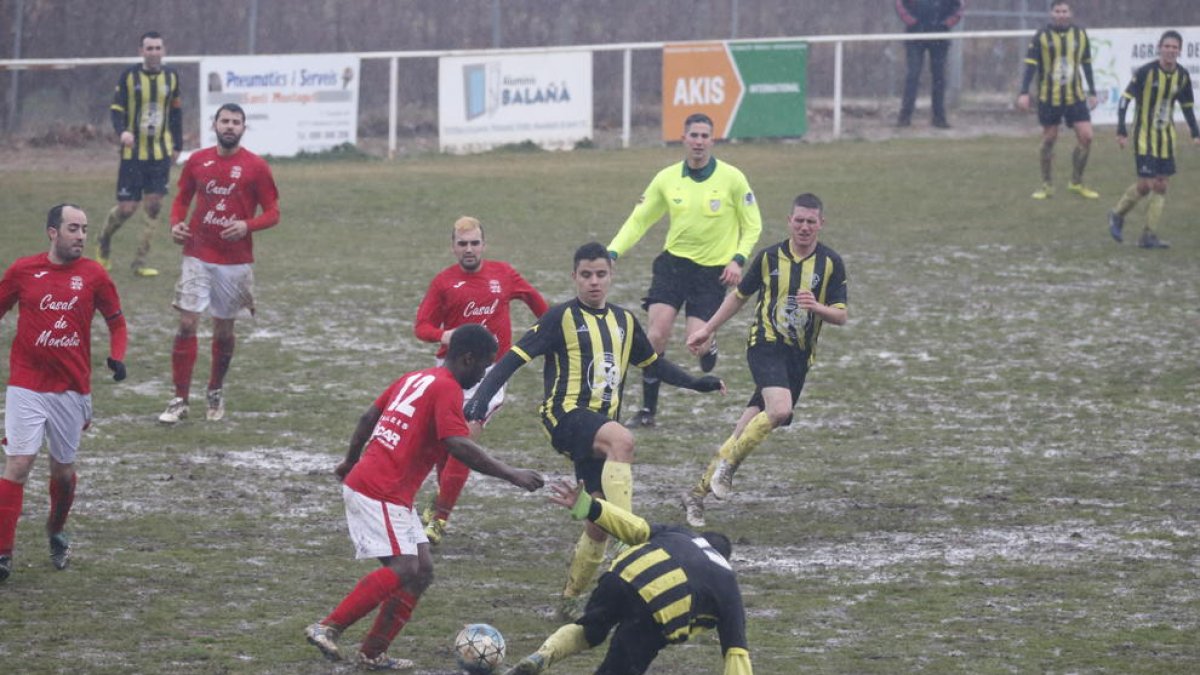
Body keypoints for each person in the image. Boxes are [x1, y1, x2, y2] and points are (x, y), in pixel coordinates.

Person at [464, 242, 724, 617]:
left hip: (597, 432)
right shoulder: (559, 318)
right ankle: (629, 539)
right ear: (574, 277)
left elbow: (654, 365)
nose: (594, 282)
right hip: (566, 416)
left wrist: (698, 383)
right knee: (624, 439)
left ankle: (569, 598)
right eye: (586, 275)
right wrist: (479, 401)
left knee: (597, 521)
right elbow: (511, 360)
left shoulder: (624, 321)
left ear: (610, 276)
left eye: (600, 274)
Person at [303, 324, 544, 670]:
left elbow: (368, 416)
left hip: (386, 489)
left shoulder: (417, 377)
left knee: (422, 571)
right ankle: (327, 626)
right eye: (484, 366)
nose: (484, 375)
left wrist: (350, 460)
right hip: (379, 490)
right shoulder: (447, 389)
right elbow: (458, 445)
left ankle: (372, 653)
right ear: (468, 358)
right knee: (404, 568)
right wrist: (511, 473)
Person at [681, 194, 848, 528]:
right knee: (780, 410)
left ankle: (696, 495)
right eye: (798, 220)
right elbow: (738, 298)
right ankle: (728, 468)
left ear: (821, 224)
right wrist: (707, 330)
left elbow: (841, 316)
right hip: (765, 344)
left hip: (799, 357)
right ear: (789, 220)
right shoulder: (769, 257)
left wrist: (817, 307)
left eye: (810, 221)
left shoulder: (830, 263)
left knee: (745, 429)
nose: (804, 227)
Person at [503, 480, 752, 675]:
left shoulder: (683, 534)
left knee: (589, 629)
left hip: (624, 576)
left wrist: (588, 506)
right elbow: (736, 654)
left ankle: (542, 656)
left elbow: (634, 527)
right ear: (725, 560)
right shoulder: (728, 585)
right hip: (657, 610)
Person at [608, 112, 761, 429]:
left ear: (712, 140)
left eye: (705, 136)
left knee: (697, 343)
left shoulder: (733, 178)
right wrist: (613, 251)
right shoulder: (666, 179)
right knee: (656, 335)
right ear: (684, 138)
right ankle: (648, 410)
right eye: (694, 135)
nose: (699, 142)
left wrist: (738, 260)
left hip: (712, 274)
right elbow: (640, 219)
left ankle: (710, 342)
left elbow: (753, 224)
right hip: (673, 267)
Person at [0, 204, 128, 582]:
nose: (81, 236)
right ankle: (3, 553)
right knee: (19, 464)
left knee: (64, 473)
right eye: (73, 228)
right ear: (52, 232)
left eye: (85, 229)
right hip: (26, 384)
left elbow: (117, 323)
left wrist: (117, 357)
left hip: (72, 389)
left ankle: (56, 529)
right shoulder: (24, 271)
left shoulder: (94, 275)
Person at [412, 215, 549, 544]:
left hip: (491, 373)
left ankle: (439, 521)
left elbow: (534, 299)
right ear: (453, 248)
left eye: (475, 243)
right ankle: (437, 505)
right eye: (463, 244)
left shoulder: (503, 274)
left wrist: (550, 331)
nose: (469, 249)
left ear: (483, 245)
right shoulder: (444, 282)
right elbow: (421, 327)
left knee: (464, 443)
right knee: (446, 445)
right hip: (450, 372)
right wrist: (446, 335)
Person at [158, 103, 280, 425]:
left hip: (235, 261)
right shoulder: (198, 161)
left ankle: (214, 389)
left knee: (224, 330)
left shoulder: (256, 167)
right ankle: (179, 398)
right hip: (197, 253)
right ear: (214, 125)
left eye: (235, 122)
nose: (229, 126)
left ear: (243, 127)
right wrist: (175, 223)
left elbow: (273, 213)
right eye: (224, 121)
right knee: (187, 324)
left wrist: (246, 226)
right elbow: (182, 198)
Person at [97, 31, 183, 278]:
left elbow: (176, 113)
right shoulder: (129, 76)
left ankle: (140, 260)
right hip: (133, 154)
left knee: (154, 205)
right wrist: (122, 131)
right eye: (149, 48)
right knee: (127, 208)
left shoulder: (172, 77)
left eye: (158, 48)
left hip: (160, 153)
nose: (154, 52)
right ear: (141, 51)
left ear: (163, 51)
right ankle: (103, 241)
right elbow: (116, 109)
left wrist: (177, 145)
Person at [1107, 30, 1200, 250]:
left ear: (1179, 50)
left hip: (1166, 137)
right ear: (1159, 48)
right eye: (1167, 46)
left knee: (1161, 185)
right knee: (1146, 184)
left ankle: (1148, 235)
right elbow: (1125, 99)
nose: (1170, 50)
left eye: (1174, 47)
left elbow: (1187, 107)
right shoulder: (1146, 72)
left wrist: (1196, 133)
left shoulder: (1183, 76)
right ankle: (1117, 214)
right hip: (1143, 137)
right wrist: (1121, 129)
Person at [1016, 1, 1099, 200]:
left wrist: (1093, 91)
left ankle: (1076, 182)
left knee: (1086, 137)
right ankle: (1047, 185)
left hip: (1075, 97)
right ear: (1051, 13)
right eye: (1057, 11)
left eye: (1064, 11)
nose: (1061, 15)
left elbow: (1086, 63)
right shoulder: (1041, 36)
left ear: (1070, 13)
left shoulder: (1080, 34)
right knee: (1049, 139)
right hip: (1049, 97)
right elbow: (1030, 65)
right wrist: (1024, 92)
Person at [894, 0, 965, 129]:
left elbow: (959, 8)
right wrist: (913, 22)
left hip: (940, 35)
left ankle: (939, 117)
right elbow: (900, 5)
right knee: (913, 76)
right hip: (915, 35)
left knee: (939, 77)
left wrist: (945, 24)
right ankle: (905, 116)